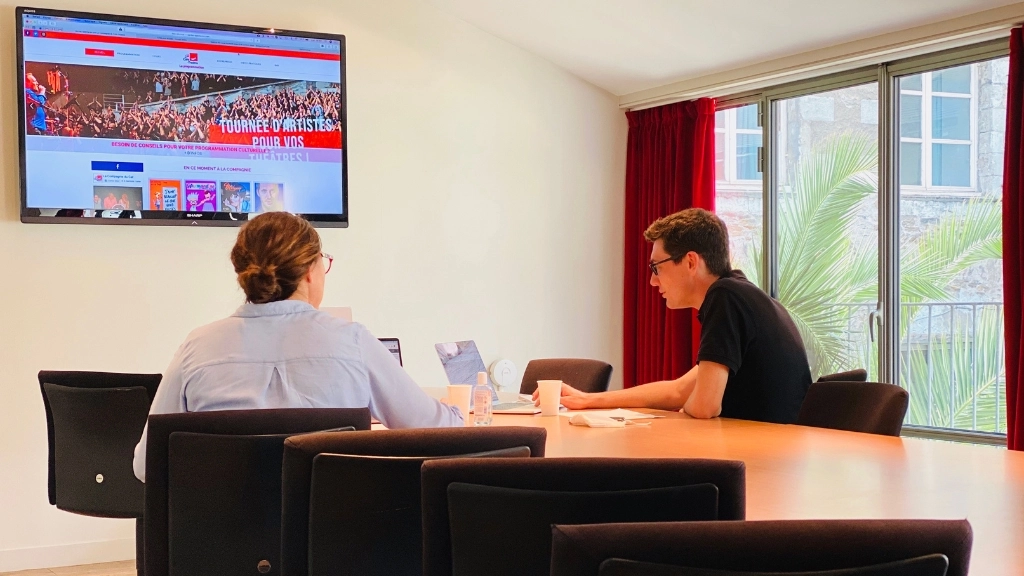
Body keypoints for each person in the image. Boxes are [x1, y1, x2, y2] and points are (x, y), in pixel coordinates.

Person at [132, 212, 462, 481]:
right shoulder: (352, 342)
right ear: (309, 272)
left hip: (221, 553)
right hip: (333, 551)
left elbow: (146, 465)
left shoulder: (197, 348)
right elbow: (438, 434)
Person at [542, 208, 812, 424]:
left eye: (656, 267)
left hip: (767, 456)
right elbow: (679, 390)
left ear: (691, 262)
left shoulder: (725, 296)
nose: (652, 281)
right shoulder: (739, 293)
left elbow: (704, 406)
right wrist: (589, 400)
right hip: (778, 451)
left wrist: (689, 408)